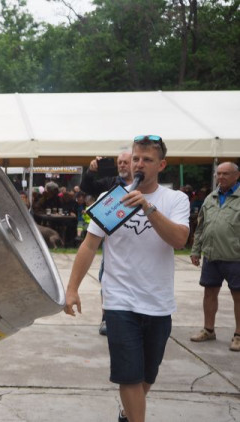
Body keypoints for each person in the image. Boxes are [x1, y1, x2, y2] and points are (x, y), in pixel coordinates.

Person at [65, 135, 189, 422]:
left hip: (158, 303)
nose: (139, 164)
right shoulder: (109, 201)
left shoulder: (175, 199)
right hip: (119, 301)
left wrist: (148, 207)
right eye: (136, 159)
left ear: (161, 165)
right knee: (129, 375)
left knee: (147, 376)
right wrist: (72, 289)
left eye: (147, 160)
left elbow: (180, 240)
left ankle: (126, 412)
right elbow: (88, 245)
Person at [189, 162, 240, 352]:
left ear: (237, 175)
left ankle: (238, 335)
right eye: (219, 174)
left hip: (235, 256)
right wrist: (196, 250)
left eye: (226, 174)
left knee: (238, 296)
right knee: (209, 293)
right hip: (211, 256)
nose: (221, 177)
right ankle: (208, 329)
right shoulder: (211, 198)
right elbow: (201, 227)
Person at [81, 151, 134, 334]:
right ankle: (106, 318)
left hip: (137, 244)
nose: (122, 165)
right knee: (107, 280)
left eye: (125, 162)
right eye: (119, 162)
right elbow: (86, 187)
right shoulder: (111, 184)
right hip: (113, 244)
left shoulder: (143, 186)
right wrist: (90, 171)